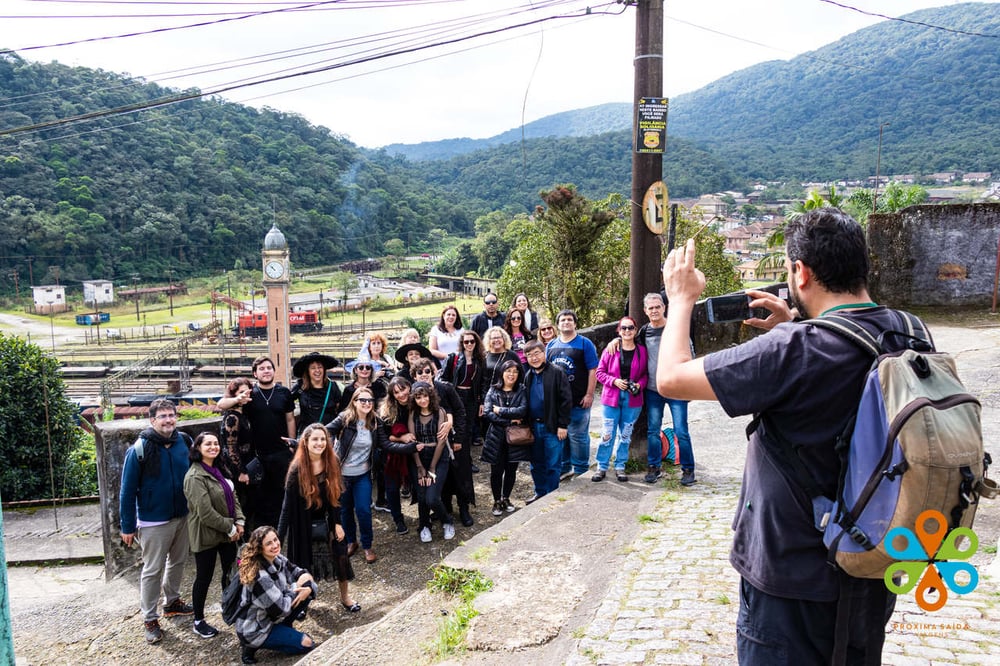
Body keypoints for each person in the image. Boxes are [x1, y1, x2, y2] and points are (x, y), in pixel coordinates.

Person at [657, 208, 899, 663]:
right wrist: (792, 326)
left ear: (800, 272)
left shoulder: (793, 349)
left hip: (792, 579)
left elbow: (670, 378)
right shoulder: (907, 333)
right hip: (874, 568)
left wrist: (681, 300)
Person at [118, 398, 195, 644]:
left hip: (182, 514)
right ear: (152, 420)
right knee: (152, 570)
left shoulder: (184, 442)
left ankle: (172, 602)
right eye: (162, 416)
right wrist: (127, 525)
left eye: (171, 415)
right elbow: (127, 491)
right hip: (153, 520)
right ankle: (149, 617)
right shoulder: (139, 449)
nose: (168, 420)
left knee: (178, 561)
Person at [277, 423, 359, 614]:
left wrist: (337, 523)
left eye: (323, 439)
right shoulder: (297, 469)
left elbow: (336, 495)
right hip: (302, 522)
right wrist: (278, 538)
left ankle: (345, 598)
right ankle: (302, 602)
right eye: (315, 439)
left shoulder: (332, 461)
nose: (319, 443)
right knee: (303, 564)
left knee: (340, 555)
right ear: (305, 442)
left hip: (328, 518)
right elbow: (287, 508)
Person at [217, 356, 295, 530]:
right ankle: (262, 532)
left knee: (281, 493)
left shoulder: (284, 392)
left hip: (281, 452)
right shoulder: (250, 394)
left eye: (269, 368)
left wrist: (291, 442)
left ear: (274, 371)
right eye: (261, 369)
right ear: (255, 373)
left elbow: (290, 419)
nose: (266, 371)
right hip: (258, 456)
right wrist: (238, 399)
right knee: (260, 497)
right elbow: (221, 404)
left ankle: (280, 531)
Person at [184, 431, 245, 639]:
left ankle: (231, 607)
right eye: (208, 444)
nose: (213, 447)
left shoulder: (219, 468)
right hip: (206, 534)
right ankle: (198, 620)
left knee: (230, 573)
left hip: (228, 533)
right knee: (204, 577)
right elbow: (205, 512)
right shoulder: (194, 476)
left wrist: (240, 520)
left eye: (216, 443)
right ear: (198, 448)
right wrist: (231, 528)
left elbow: (233, 496)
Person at [235, 526, 318, 664]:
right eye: (269, 543)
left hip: (273, 615)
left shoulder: (277, 558)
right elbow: (282, 609)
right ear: (260, 548)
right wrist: (297, 586)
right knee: (307, 644)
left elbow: (300, 573)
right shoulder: (259, 577)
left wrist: (308, 587)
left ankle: (284, 629)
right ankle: (250, 646)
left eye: (275, 539)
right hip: (256, 629)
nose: (275, 545)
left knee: (309, 590)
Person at [326, 386, 387, 564]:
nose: (367, 403)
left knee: (363, 510)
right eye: (363, 400)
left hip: (362, 475)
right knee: (345, 510)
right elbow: (323, 432)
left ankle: (367, 545)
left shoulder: (375, 422)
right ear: (354, 401)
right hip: (342, 475)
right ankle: (351, 541)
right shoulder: (344, 418)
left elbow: (385, 444)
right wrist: (298, 441)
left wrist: (410, 446)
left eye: (370, 400)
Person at [436, 330, 483, 526]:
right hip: (453, 401)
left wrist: (481, 401)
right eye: (466, 342)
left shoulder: (480, 360)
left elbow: (482, 383)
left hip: (470, 401)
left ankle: (464, 506)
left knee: (462, 462)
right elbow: (443, 379)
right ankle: (446, 505)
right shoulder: (453, 358)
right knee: (445, 463)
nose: (469, 344)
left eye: (472, 341)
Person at [593, 317, 648, 482]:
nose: (627, 331)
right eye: (623, 328)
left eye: (630, 328)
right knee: (607, 433)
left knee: (625, 435)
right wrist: (614, 381)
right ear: (619, 330)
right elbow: (599, 372)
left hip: (632, 399)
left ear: (635, 330)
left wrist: (639, 385)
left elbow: (646, 374)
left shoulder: (642, 351)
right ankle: (602, 466)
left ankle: (620, 466)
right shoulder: (611, 349)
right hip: (612, 397)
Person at [546, 309, 598, 477]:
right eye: (563, 320)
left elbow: (593, 370)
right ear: (558, 325)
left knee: (578, 437)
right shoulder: (551, 345)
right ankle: (564, 467)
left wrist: (589, 394)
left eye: (569, 319)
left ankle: (581, 469)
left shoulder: (584, 344)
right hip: (558, 402)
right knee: (561, 435)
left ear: (575, 323)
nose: (566, 322)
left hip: (579, 400)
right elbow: (546, 372)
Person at [522, 340, 572, 503]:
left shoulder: (557, 372)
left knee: (553, 464)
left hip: (552, 426)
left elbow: (566, 401)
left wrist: (563, 425)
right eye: (529, 355)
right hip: (534, 427)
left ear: (544, 353)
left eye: (537, 353)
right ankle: (540, 493)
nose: (534, 358)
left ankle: (551, 497)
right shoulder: (528, 375)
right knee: (536, 463)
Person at [408, 381, 455, 542]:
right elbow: (412, 442)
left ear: (430, 396)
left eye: (425, 396)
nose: (422, 400)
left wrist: (432, 468)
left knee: (432, 498)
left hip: (438, 457)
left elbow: (441, 441)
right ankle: (424, 525)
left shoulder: (439, 412)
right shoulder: (412, 414)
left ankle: (447, 521)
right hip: (419, 456)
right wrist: (419, 466)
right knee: (422, 496)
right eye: (418, 397)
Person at [481, 359, 529, 515]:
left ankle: (506, 497)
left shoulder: (521, 389)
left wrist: (500, 410)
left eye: (515, 371)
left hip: (515, 438)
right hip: (496, 437)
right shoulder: (493, 390)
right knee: (496, 471)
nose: (512, 374)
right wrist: (510, 421)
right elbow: (488, 413)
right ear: (502, 372)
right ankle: (497, 500)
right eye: (508, 371)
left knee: (511, 470)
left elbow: (522, 410)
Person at [219, 377, 256, 526]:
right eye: (241, 392)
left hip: (246, 463)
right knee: (241, 505)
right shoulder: (233, 417)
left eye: (247, 392)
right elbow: (230, 448)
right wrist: (241, 471)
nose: (245, 395)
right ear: (234, 395)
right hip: (236, 468)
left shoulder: (243, 413)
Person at [289, 352, 342, 435]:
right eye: (313, 368)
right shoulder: (300, 386)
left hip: (327, 434)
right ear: (308, 371)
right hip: (306, 434)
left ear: (324, 369)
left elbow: (340, 410)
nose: (317, 370)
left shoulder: (332, 387)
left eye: (320, 367)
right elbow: (287, 402)